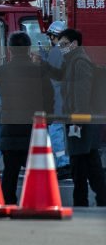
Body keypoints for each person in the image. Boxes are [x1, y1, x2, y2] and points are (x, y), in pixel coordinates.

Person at [43, 28, 106, 206]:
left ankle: (82, 200)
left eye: (63, 44)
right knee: (90, 161)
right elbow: (60, 76)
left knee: (79, 162)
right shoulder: (71, 61)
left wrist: (77, 121)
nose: (60, 48)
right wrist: (44, 64)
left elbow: (82, 93)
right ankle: (100, 197)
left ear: (74, 44)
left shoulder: (80, 62)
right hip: (80, 120)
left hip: (80, 121)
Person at [0, 32, 52, 204]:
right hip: (34, 128)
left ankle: (8, 203)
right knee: (36, 170)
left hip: (10, 126)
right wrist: (48, 120)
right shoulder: (40, 71)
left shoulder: (1, 71)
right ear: (28, 49)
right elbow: (49, 97)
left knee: (10, 171)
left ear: (10, 49)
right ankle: (37, 201)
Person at [40, 21, 72, 179]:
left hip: (56, 97)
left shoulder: (56, 51)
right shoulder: (70, 50)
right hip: (68, 97)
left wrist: (42, 60)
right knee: (65, 131)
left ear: (55, 35)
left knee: (56, 131)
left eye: (51, 36)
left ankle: (62, 163)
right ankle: (67, 161)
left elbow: (50, 75)